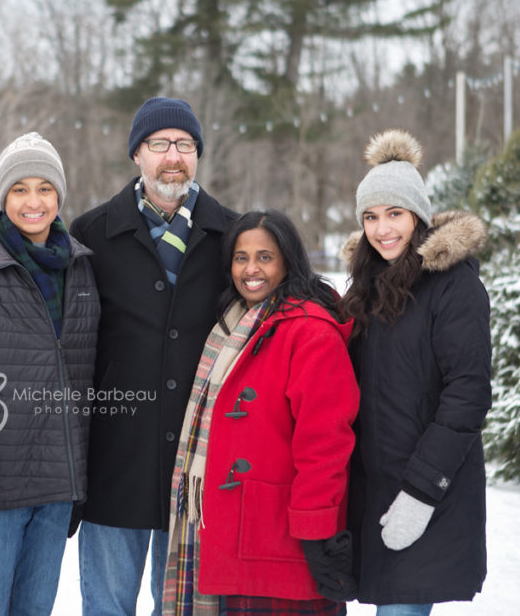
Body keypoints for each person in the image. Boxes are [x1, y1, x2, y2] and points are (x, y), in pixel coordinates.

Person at [70, 96, 238, 615]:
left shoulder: (232, 234)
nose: (173, 156)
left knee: (185, 608)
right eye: (159, 144)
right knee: (107, 606)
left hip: (198, 463)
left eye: (185, 145)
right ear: (136, 155)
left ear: (198, 155)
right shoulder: (91, 234)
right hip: (115, 458)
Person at [162, 210, 360, 616]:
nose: (251, 269)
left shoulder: (311, 331)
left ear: (288, 260)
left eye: (265, 257)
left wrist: (316, 534)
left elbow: (326, 444)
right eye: (240, 257)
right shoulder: (234, 324)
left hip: (281, 543)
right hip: (234, 535)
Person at [0, 131, 100, 615]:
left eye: (45, 188)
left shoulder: (81, 265)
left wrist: (79, 479)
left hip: (57, 489)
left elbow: (83, 375)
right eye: (19, 189)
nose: (33, 201)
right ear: (2, 196)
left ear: (59, 196)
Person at [340, 128, 492, 615]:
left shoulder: (453, 287)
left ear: (419, 216)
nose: (382, 229)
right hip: (373, 489)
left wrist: (422, 493)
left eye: (395, 214)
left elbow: (468, 395)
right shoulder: (365, 287)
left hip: (427, 492)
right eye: (371, 217)